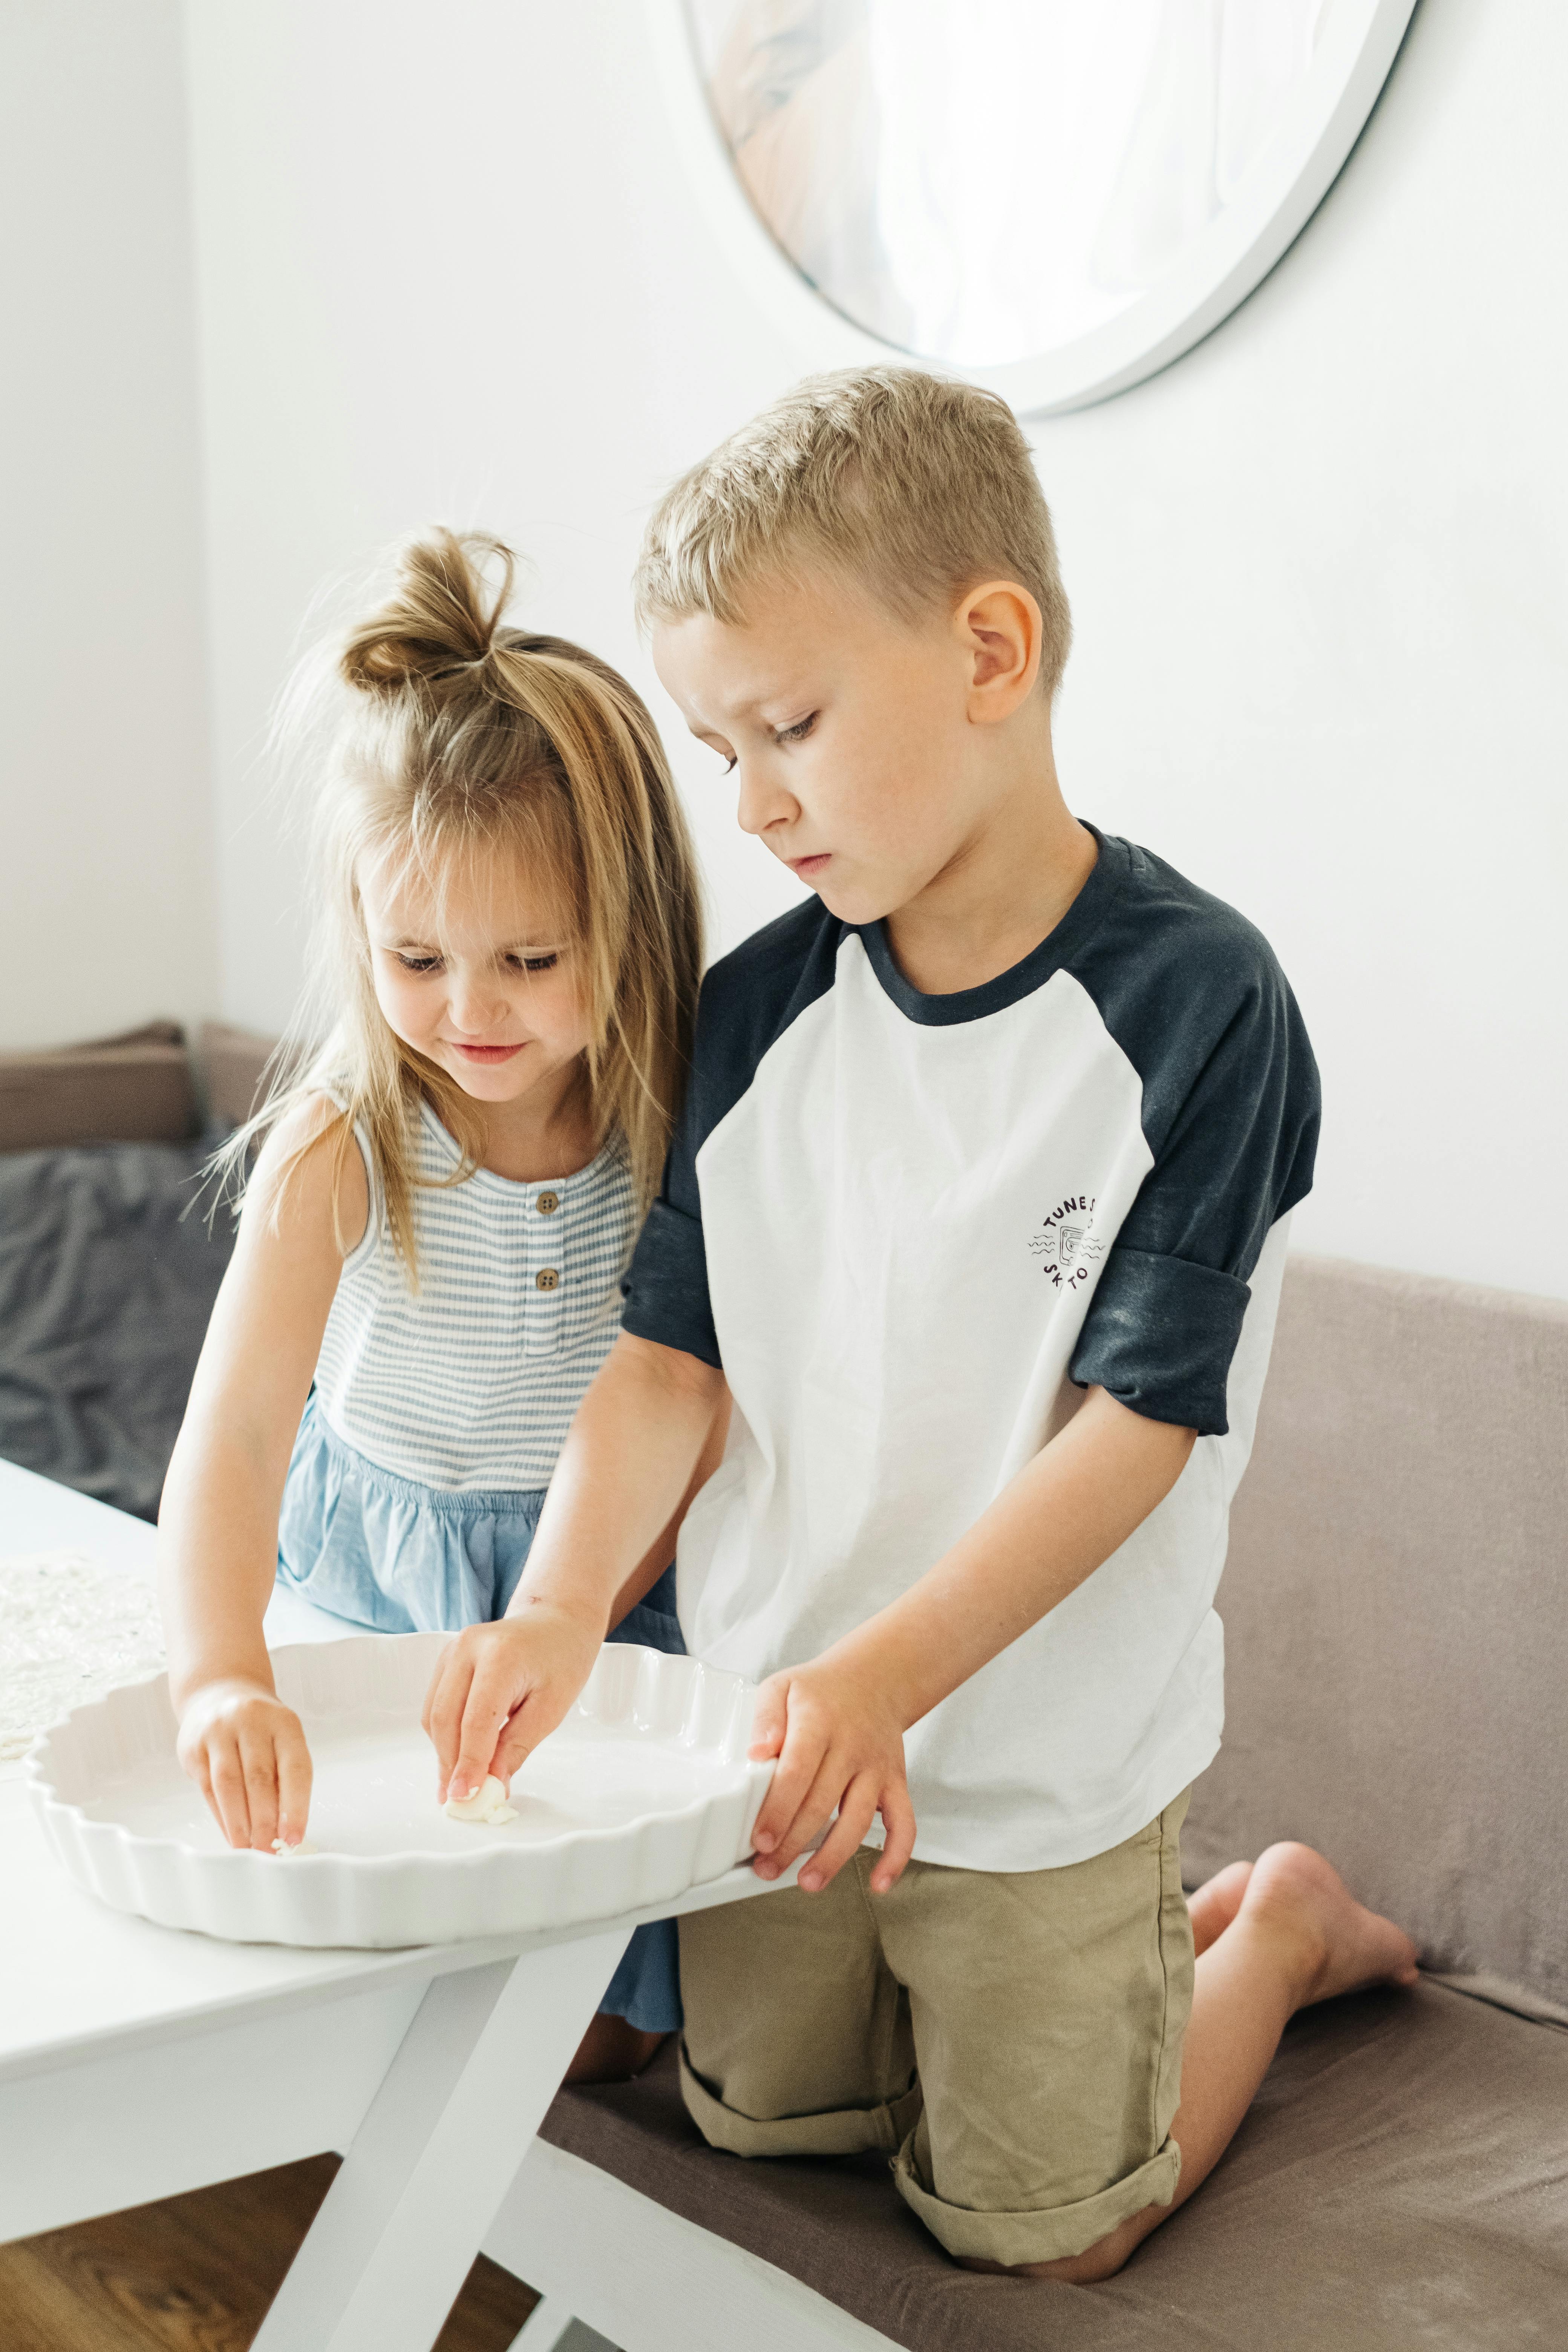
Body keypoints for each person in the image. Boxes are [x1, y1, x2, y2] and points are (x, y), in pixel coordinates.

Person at [420, 370, 1419, 2277]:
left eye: (787, 724)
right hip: (771, 1744)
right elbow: (665, 1362)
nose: (751, 800)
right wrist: (559, 1602)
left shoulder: (1203, 1009)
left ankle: (1270, 1925)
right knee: (770, 2134)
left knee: (1048, 2236)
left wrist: (885, 1680)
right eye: (722, 747)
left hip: (1034, 1767)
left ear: (988, 647)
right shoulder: (750, 1016)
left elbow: (1136, 1425)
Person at [158, 527, 719, 2079]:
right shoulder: (345, 1142)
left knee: (598, 2031)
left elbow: (703, 1397)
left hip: (606, 1587)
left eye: (529, 959)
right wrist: (217, 1675)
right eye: (415, 957)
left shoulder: (673, 1122)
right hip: (384, 1587)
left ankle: (1256, 1929)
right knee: (413, 1971)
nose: (468, 1012)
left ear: (629, 924)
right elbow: (239, 1426)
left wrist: (597, 1608)